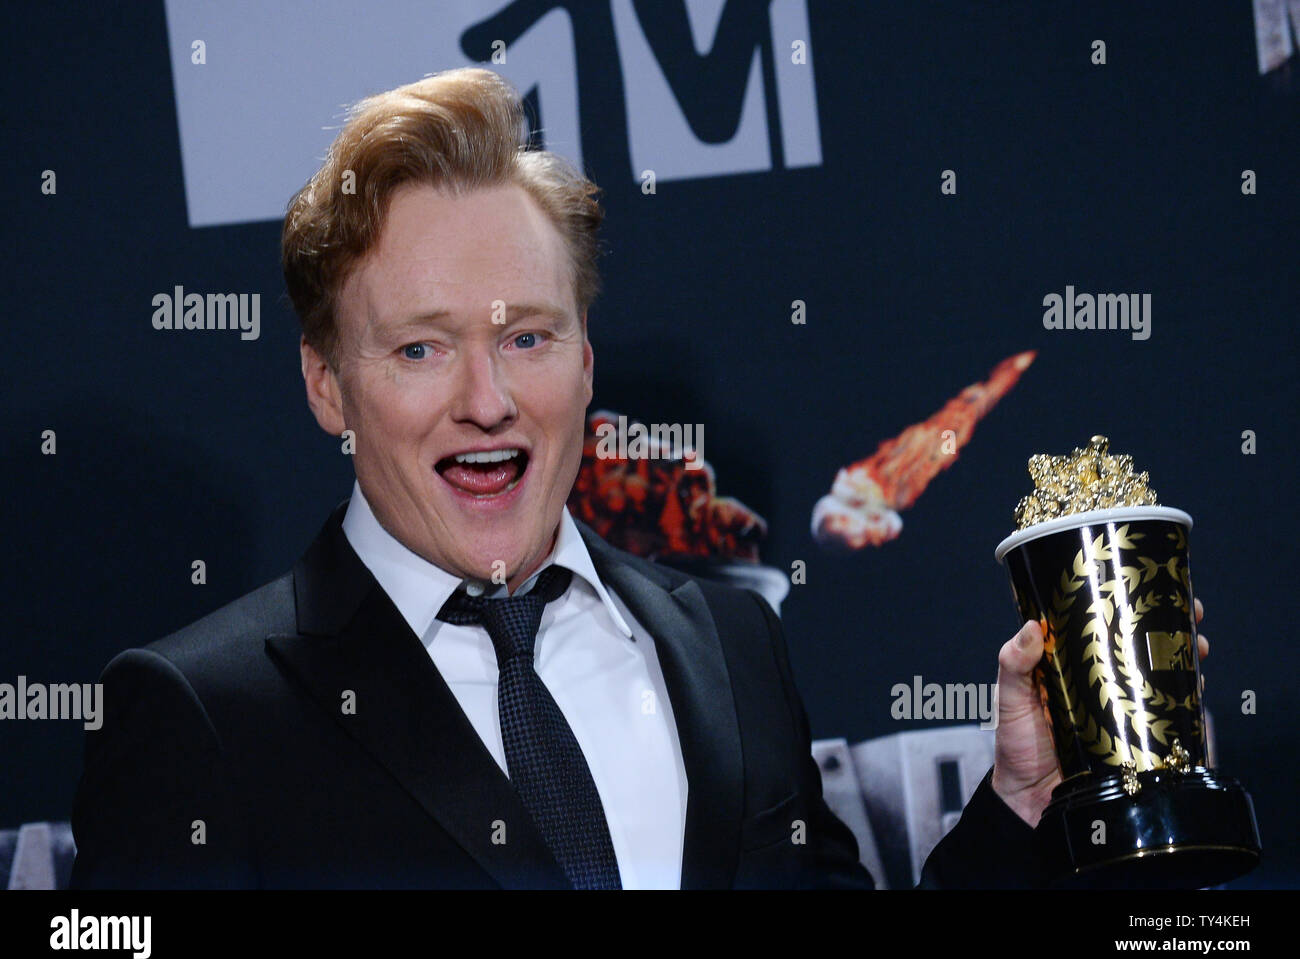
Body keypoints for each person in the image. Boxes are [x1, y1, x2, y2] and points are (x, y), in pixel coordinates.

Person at [68, 67, 1209, 889]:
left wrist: (1020, 805)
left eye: (528, 337)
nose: (487, 398)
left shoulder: (727, 643)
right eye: (421, 347)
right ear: (326, 384)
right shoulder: (203, 714)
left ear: (585, 359)